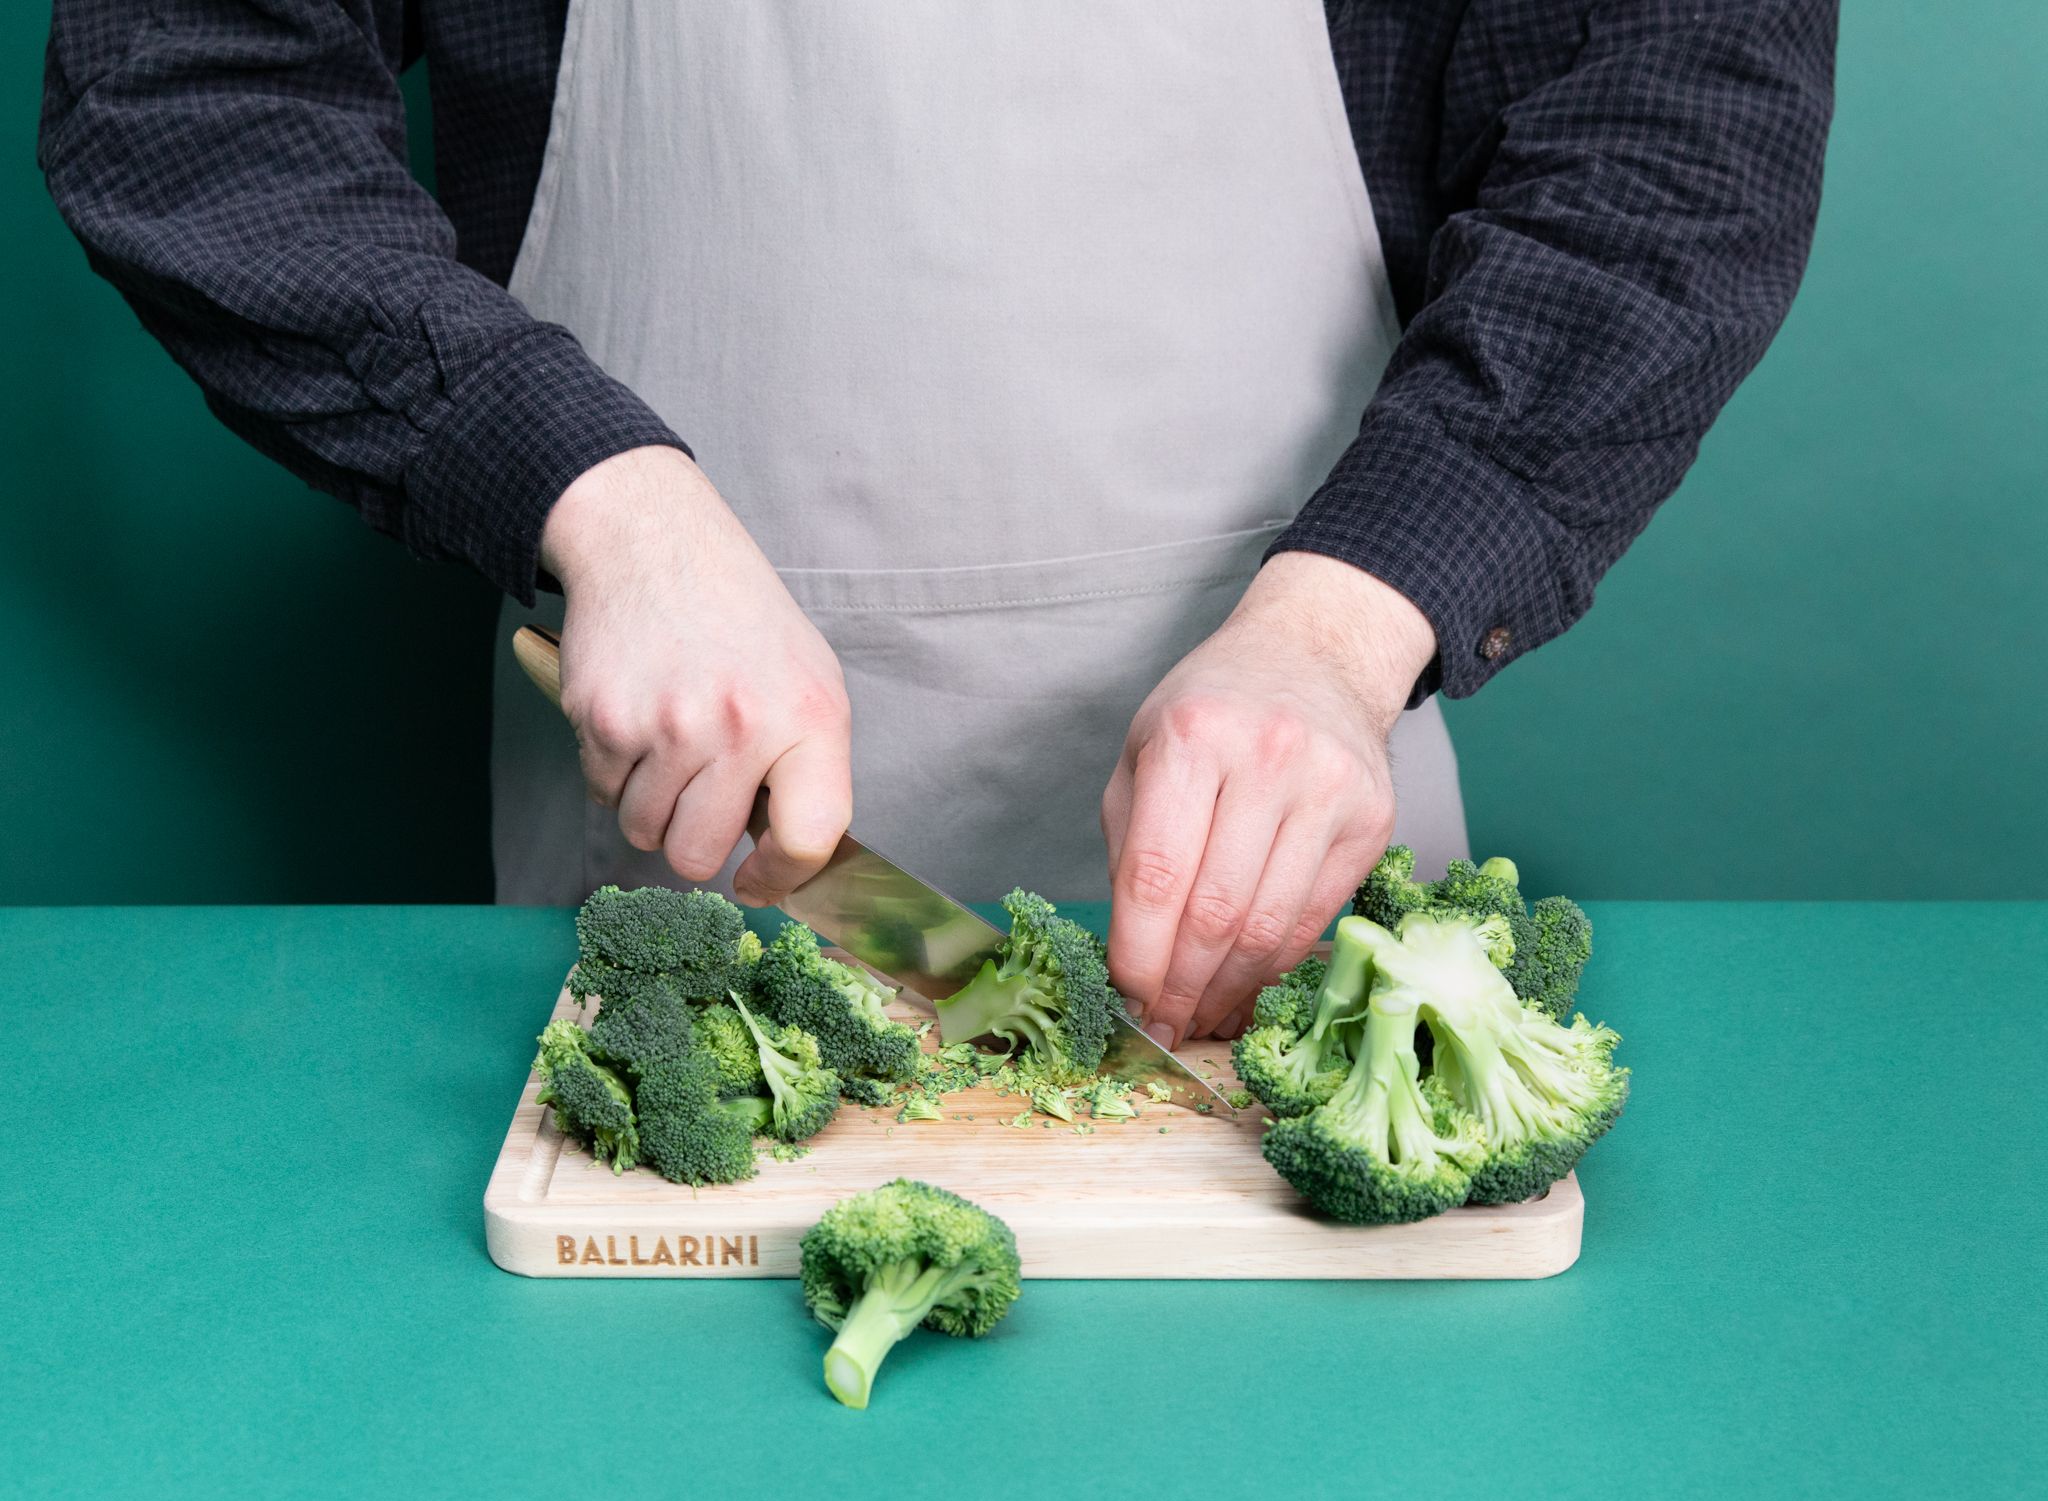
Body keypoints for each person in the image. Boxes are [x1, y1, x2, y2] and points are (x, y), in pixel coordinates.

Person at [40, 2, 1835, 1047]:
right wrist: (598, 498)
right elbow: (192, 89)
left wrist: (1344, 629)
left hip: (1308, 766)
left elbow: (1676, 122)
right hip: (670, 834)